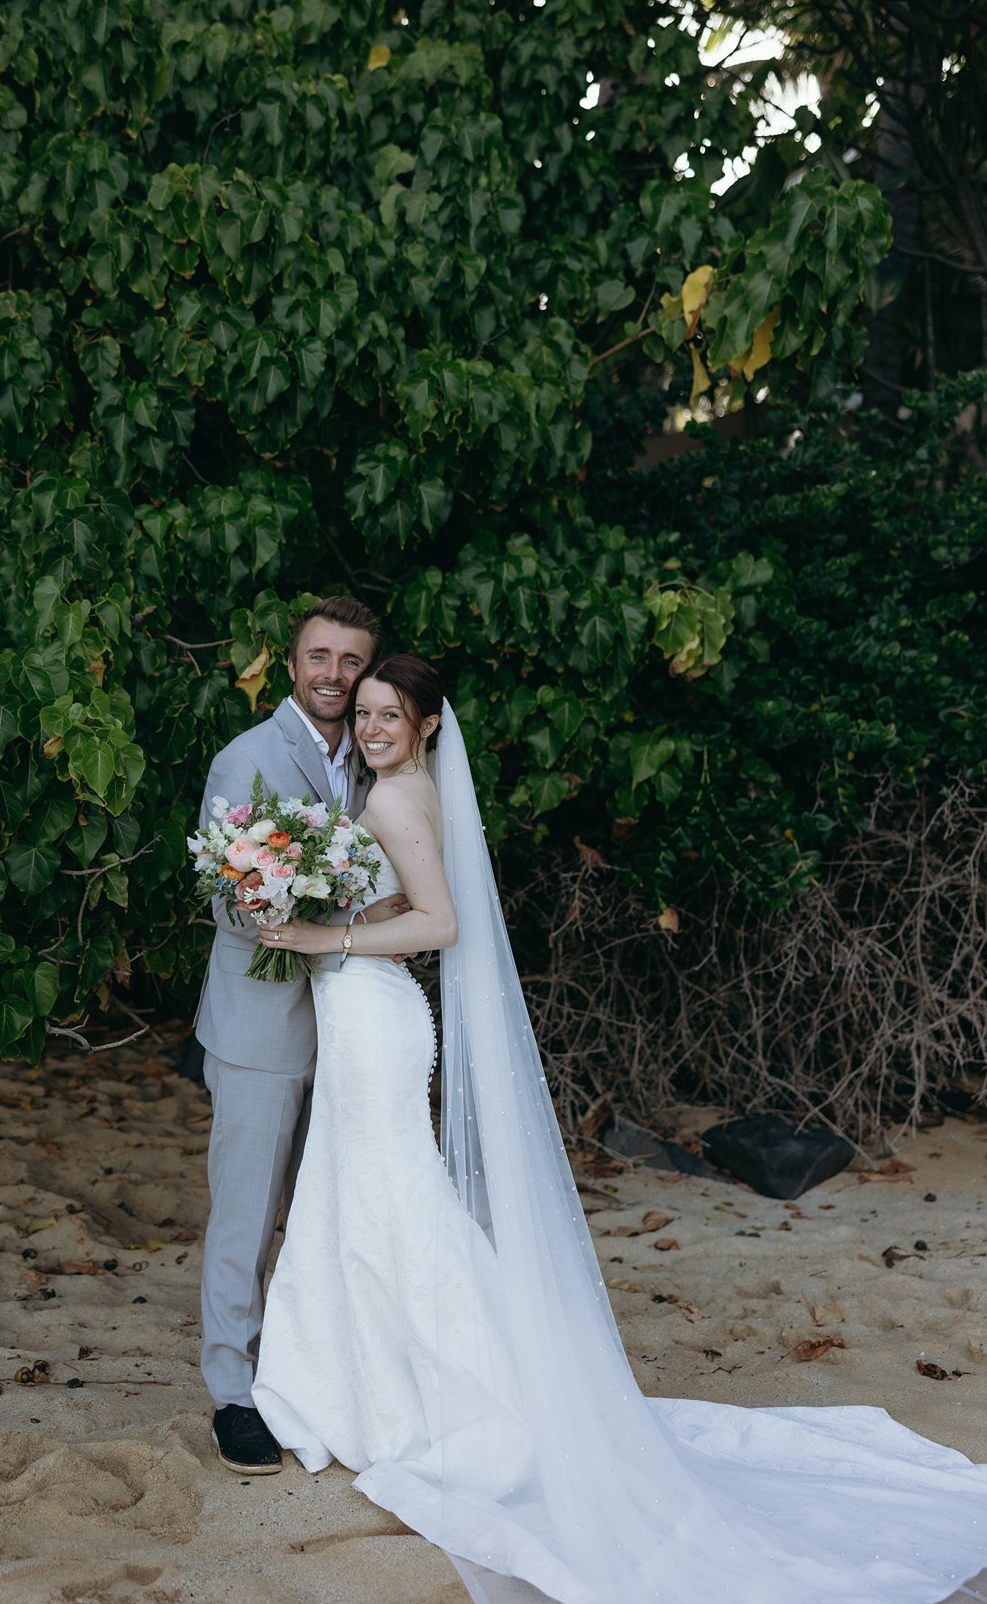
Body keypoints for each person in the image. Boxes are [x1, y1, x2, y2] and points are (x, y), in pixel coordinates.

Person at [250, 654, 987, 1604]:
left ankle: (451, 1405)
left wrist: (326, 935)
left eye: (393, 713)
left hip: (376, 1012)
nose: (376, 725)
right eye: (366, 711)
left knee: (390, 1191)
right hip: (370, 1015)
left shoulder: (395, 799)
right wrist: (343, 905)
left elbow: (441, 924)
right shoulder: (402, 792)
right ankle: (363, 1385)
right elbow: (408, 897)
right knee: (366, 1189)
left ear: (429, 724)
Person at [194, 595, 406, 1477]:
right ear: (292, 664)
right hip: (261, 1026)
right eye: (318, 657)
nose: (333, 675)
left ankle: (310, 1375)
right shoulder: (246, 757)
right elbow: (221, 892)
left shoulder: (381, 757)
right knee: (247, 1215)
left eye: (350, 661)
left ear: (367, 670)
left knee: (328, 1212)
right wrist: (305, 899)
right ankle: (232, 1394)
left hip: (355, 1027)